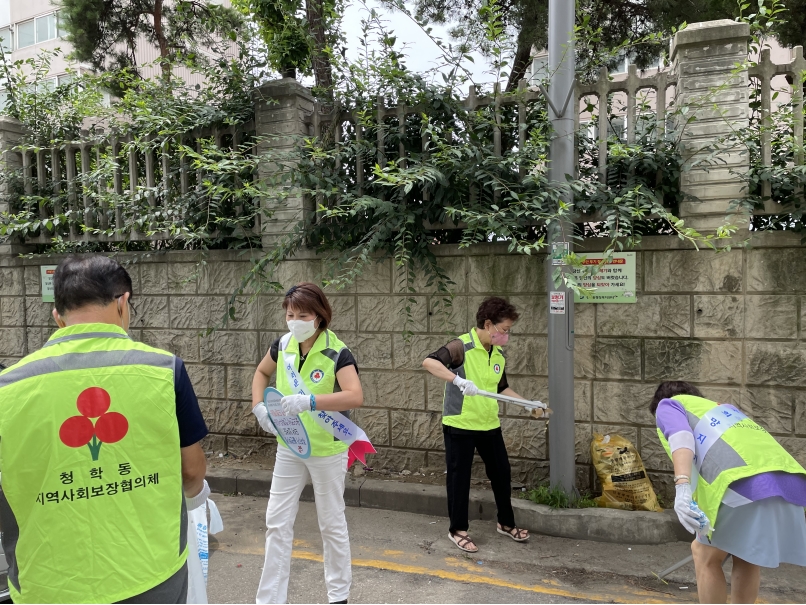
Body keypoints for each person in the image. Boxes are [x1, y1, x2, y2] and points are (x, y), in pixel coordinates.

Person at [0, 255, 209, 604]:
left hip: (48, 584)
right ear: (123, 302)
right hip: (151, 575)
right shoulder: (164, 370)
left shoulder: (8, 387)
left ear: (57, 316)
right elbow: (191, 472)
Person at [251, 282, 364, 604]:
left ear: (319, 316)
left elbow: (355, 396)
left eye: (303, 314)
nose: (295, 320)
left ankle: (338, 596)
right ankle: (270, 599)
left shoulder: (337, 351)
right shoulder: (282, 345)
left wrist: (310, 401)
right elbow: (261, 373)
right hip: (289, 446)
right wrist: (258, 406)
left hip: (327, 450)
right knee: (276, 522)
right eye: (290, 314)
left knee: (330, 523)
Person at [651, 381, 806, 604]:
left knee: (704, 555)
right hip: (788, 483)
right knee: (746, 556)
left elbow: (681, 438)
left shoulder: (670, 405)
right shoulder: (726, 409)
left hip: (744, 484)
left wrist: (682, 487)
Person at [422, 297, 537, 554]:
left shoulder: (498, 354)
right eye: (504, 330)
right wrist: (458, 380)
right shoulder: (460, 346)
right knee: (460, 478)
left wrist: (528, 403)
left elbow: (501, 388)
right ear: (488, 324)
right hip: (460, 423)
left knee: (501, 473)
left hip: (488, 424)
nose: (506, 335)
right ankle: (458, 530)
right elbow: (429, 362)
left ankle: (505, 523)